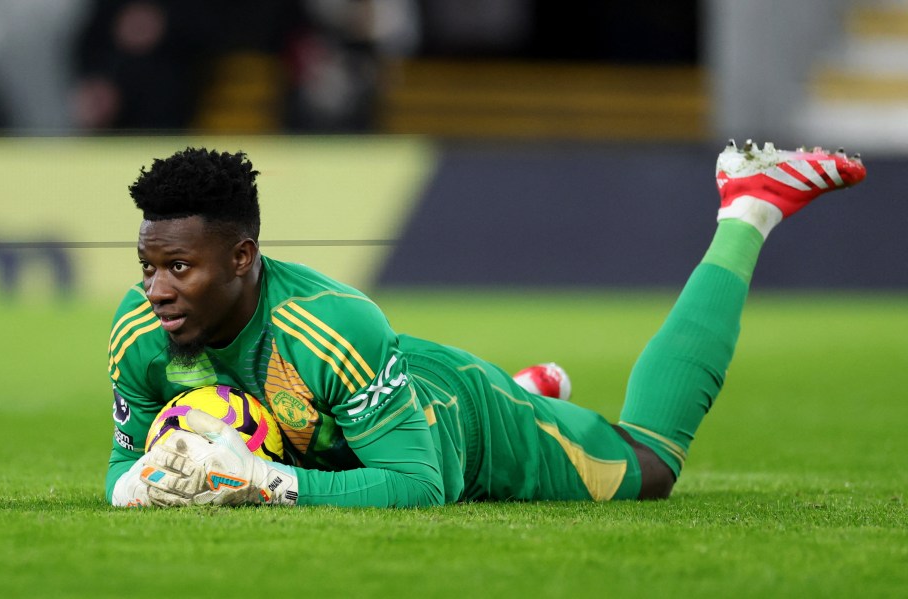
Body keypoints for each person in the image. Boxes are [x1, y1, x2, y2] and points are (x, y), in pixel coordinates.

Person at [106, 141, 866, 508]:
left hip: (458, 425)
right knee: (342, 438)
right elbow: (118, 464)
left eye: (180, 267)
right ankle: (530, 387)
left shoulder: (328, 326)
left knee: (649, 470)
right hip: (364, 414)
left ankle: (749, 206)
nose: (156, 288)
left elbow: (419, 486)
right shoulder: (137, 334)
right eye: (149, 266)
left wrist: (266, 482)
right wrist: (136, 487)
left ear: (242, 256)